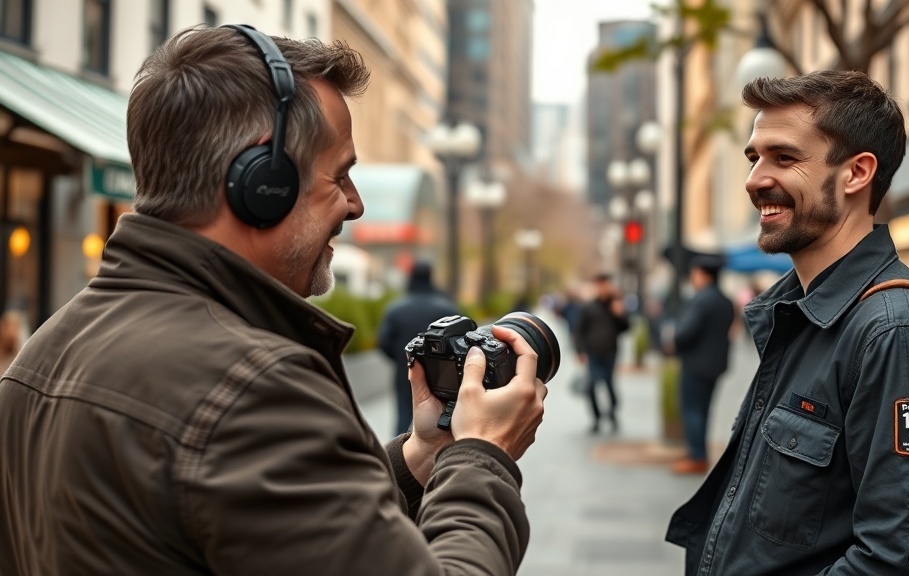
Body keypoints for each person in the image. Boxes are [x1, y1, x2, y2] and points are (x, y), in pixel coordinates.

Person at [0, 25, 547, 575]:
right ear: (264, 183)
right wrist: (482, 456)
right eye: (340, 175)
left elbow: (265, 524)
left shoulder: (42, 353)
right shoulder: (254, 387)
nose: (355, 206)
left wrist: (419, 461)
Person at [666, 70, 909, 575]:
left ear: (856, 173)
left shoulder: (897, 334)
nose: (755, 178)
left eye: (784, 158)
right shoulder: (798, 313)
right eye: (754, 157)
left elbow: (904, 561)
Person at [377, 260, 459, 436]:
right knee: (441, 416)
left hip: (405, 371)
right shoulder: (446, 308)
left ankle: (402, 455)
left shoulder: (396, 308)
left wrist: (405, 358)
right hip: (441, 374)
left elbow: (383, 341)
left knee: (404, 413)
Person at [670, 254, 735, 475]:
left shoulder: (701, 300)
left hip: (695, 364)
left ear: (702, 275)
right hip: (715, 365)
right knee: (704, 410)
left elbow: (685, 333)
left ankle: (697, 456)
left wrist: (673, 339)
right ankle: (699, 452)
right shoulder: (725, 301)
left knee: (692, 410)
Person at [574, 272, 630, 433]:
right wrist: (580, 351)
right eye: (600, 285)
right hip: (593, 354)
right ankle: (597, 418)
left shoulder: (616, 305)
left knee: (609, 384)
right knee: (591, 387)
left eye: (606, 284)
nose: (603, 288)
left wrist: (619, 315)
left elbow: (626, 328)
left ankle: (612, 413)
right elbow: (579, 331)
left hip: (611, 353)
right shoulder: (589, 307)